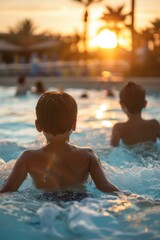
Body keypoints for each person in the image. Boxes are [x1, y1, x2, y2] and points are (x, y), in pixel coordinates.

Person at [0, 91, 119, 201]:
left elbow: (7, 191)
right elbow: (105, 187)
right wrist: (130, 197)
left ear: (38, 125)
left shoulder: (28, 157)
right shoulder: (88, 155)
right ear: (74, 124)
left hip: (45, 201)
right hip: (80, 201)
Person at [111, 81, 160, 146]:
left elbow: (113, 151)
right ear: (145, 104)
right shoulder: (154, 124)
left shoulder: (119, 128)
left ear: (121, 104)